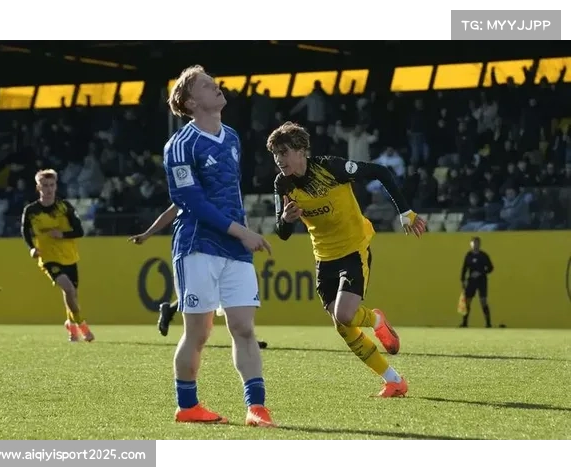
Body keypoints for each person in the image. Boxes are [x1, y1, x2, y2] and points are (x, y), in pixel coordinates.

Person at [267, 122, 426, 398]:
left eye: (284, 152)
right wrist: (286, 219)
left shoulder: (331, 168)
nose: (279, 159)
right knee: (343, 326)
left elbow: (381, 171)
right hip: (323, 257)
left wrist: (405, 212)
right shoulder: (283, 183)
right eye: (275, 154)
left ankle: (376, 319)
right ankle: (394, 381)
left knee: (344, 315)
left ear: (301, 150)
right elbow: (282, 233)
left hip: (353, 249)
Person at [163, 65, 274, 426]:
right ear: (191, 102)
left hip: (236, 247)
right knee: (199, 332)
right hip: (197, 245)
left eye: (215, 83)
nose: (217, 87)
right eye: (207, 85)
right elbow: (191, 201)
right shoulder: (180, 145)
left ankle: (256, 408)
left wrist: (241, 233)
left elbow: (230, 193)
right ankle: (187, 406)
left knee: (244, 328)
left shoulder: (232, 138)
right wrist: (243, 232)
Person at [128, 205, 269, 349]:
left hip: (230, 248)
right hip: (205, 248)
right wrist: (147, 234)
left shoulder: (228, 194)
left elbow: (238, 214)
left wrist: (246, 236)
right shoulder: (196, 195)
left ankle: (247, 336)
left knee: (239, 295)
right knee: (208, 295)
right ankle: (243, 337)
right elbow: (173, 209)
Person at [21, 169, 94, 342]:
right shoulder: (31, 210)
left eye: (51, 185)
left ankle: (71, 326)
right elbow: (25, 231)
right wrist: (32, 248)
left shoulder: (64, 207)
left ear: (56, 186)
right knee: (68, 288)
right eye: (45, 185)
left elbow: (79, 231)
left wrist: (63, 235)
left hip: (69, 256)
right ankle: (82, 326)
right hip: (48, 258)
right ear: (38, 187)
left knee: (71, 295)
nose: (48, 189)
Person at [460, 237, 494, 328]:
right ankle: (464, 323)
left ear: (480, 244)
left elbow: (491, 268)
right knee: (467, 301)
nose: (475, 245)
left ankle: (488, 323)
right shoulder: (468, 255)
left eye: (477, 243)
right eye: (474, 243)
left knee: (483, 301)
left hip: (482, 281)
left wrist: (481, 273)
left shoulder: (483, 255)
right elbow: (464, 268)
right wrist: (462, 280)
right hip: (471, 281)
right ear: (471, 244)